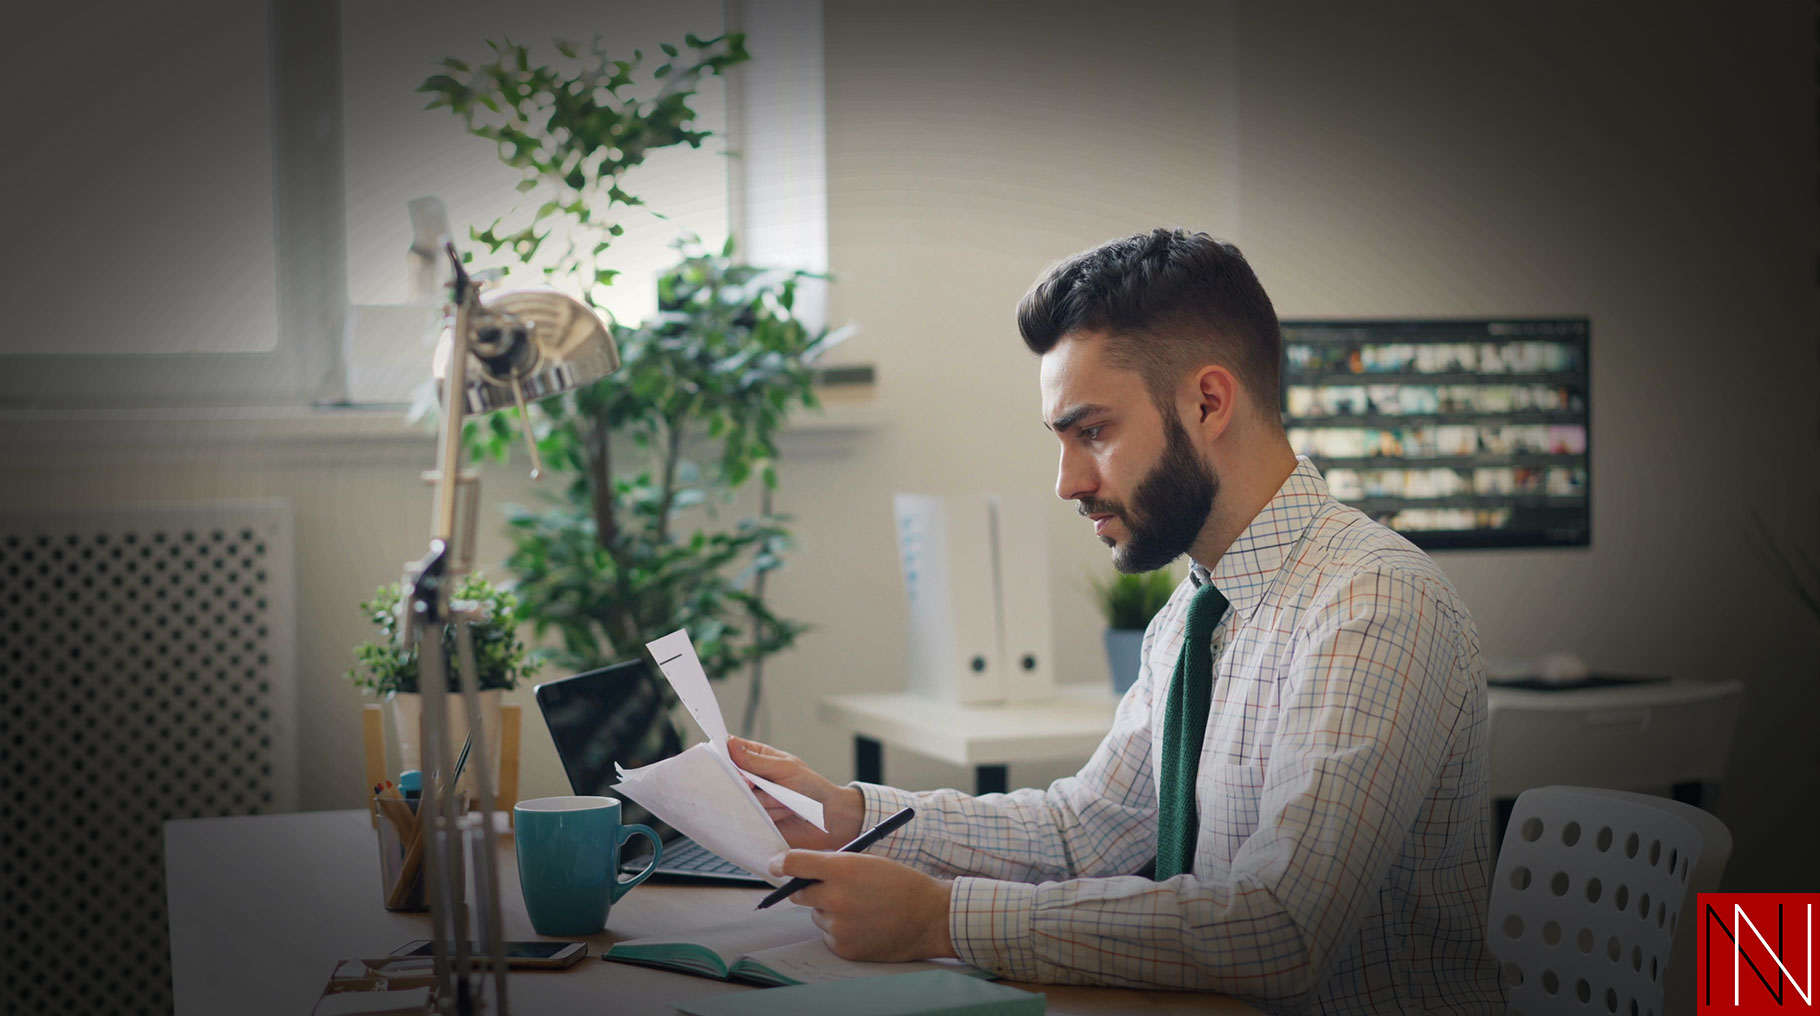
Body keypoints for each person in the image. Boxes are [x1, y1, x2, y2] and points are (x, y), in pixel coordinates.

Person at [729, 228, 1505, 1014]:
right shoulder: (1196, 613)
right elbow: (1083, 831)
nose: (1068, 482)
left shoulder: (1373, 601)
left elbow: (1281, 928)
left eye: (1092, 432)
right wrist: (851, 814)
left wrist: (941, 918)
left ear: (1208, 402)